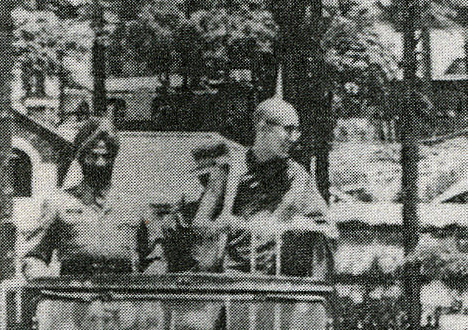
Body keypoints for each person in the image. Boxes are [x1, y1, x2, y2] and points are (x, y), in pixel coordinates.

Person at [188, 97, 336, 275]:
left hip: (277, 275)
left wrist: (296, 225)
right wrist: (219, 225)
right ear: (262, 126)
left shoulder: (297, 176)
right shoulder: (230, 168)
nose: (294, 138)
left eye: (297, 131)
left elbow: (324, 227)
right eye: (288, 129)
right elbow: (199, 223)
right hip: (229, 273)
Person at [23, 119, 165, 278]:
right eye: (93, 156)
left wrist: (149, 281)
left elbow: (157, 258)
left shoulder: (136, 205)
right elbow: (34, 256)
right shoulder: (59, 203)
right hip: (74, 292)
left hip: (123, 292)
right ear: (81, 158)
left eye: (106, 156)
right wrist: (42, 276)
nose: (100, 163)